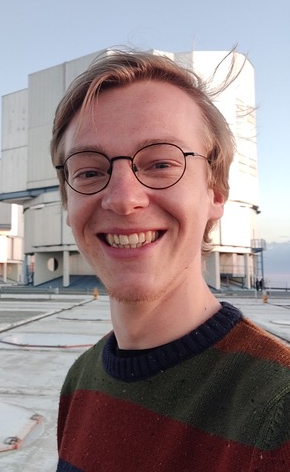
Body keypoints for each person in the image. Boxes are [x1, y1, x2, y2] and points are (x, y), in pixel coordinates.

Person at [50, 50, 290, 471]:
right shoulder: (81, 381)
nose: (123, 199)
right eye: (89, 171)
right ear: (68, 204)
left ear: (215, 193)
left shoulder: (278, 408)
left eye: (161, 163)